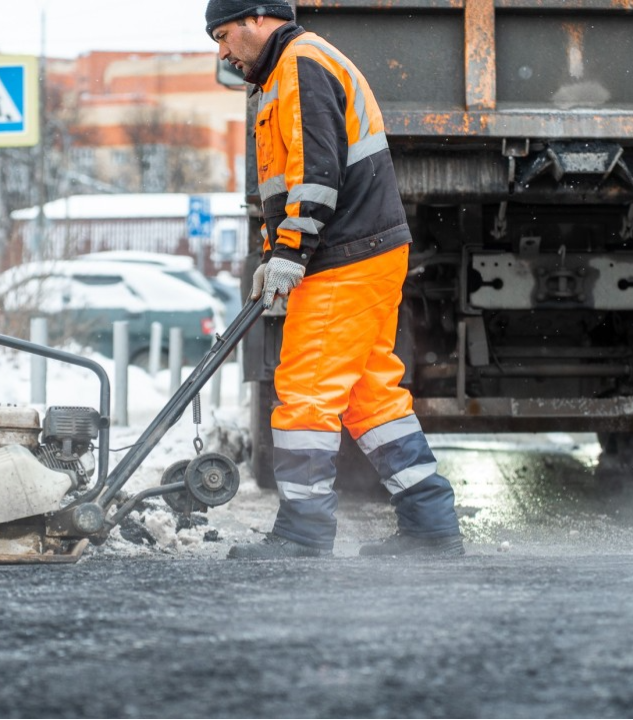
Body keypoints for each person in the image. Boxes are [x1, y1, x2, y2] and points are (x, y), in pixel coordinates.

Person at [205, 0, 464, 559]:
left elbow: (318, 175)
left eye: (223, 36)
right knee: (372, 399)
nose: (222, 52)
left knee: (303, 393)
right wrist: (274, 252)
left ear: (256, 18)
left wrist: (291, 252)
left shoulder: (300, 62)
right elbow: (296, 178)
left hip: (342, 257)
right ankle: (431, 525)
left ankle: (303, 534)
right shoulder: (289, 70)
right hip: (364, 250)